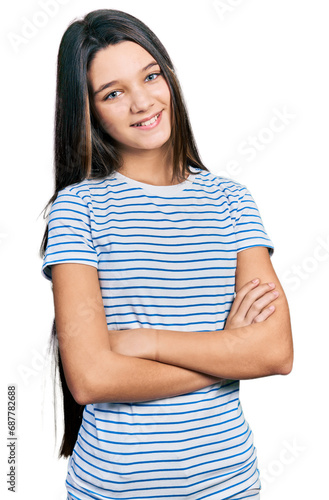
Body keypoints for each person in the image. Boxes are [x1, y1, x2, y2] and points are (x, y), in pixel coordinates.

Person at [39, 9, 293, 500]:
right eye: (113, 93)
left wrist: (145, 340)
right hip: (114, 490)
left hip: (229, 485)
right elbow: (91, 378)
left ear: (168, 76)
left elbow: (275, 352)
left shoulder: (231, 201)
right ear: (89, 112)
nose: (142, 102)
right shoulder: (79, 208)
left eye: (150, 76)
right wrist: (228, 352)